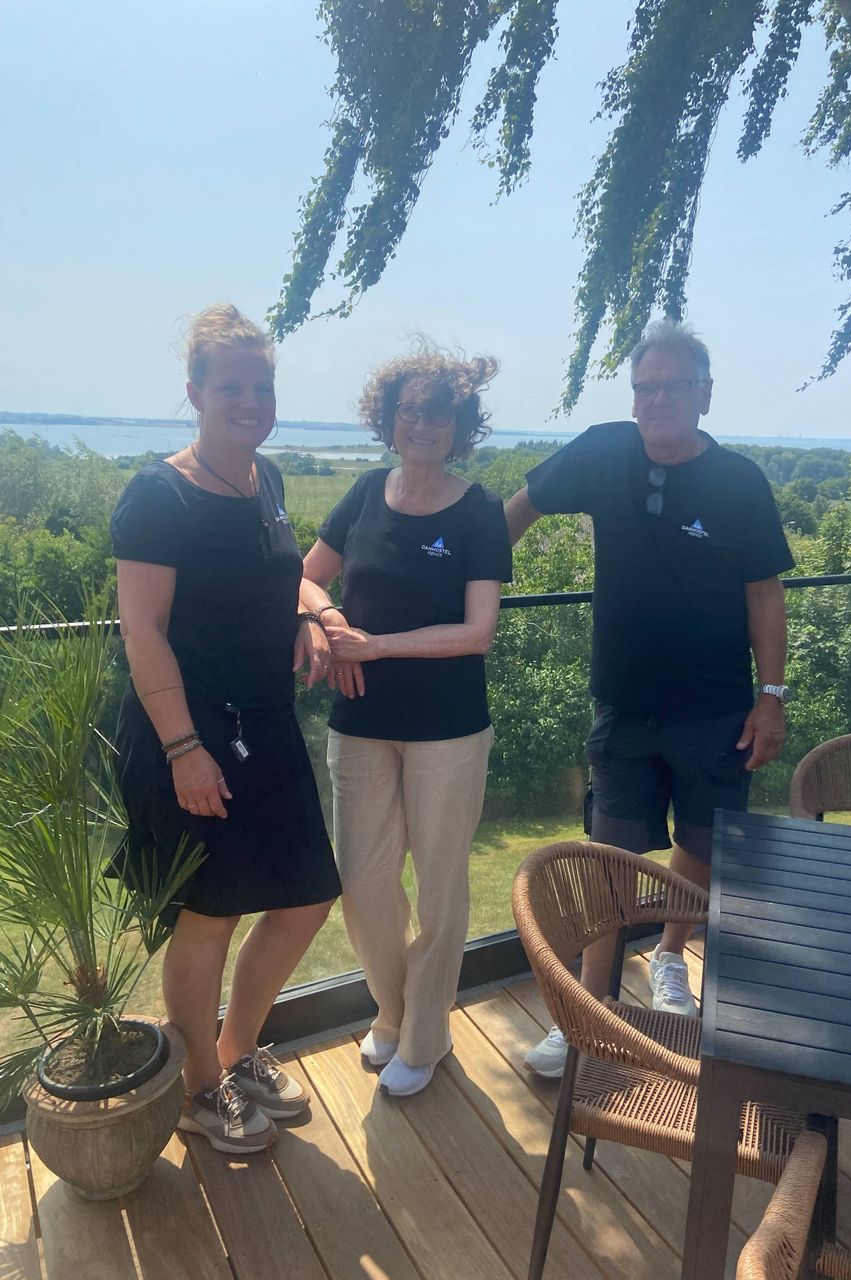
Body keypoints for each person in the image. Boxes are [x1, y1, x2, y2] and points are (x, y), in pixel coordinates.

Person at [506, 320, 794, 1078]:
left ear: (705, 394)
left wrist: (771, 697)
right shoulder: (604, 451)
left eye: (673, 386)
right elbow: (518, 509)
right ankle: (589, 1008)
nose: (657, 400)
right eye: (645, 388)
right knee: (609, 859)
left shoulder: (739, 482)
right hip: (624, 710)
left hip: (717, 712)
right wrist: (461, 580)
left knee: (700, 844)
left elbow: (764, 594)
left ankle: (669, 959)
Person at [110, 304, 341, 1152]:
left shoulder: (264, 480)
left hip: (264, 723)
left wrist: (309, 614)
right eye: (231, 387)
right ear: (196, 392)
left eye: (262, 387)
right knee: (211, 913)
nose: (250, 402)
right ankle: (199, 1088)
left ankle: (238, 1053)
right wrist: (183, 749)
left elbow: (277, 578)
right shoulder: (160, 494)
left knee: (308, 895)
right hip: (190, 730)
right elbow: (143, 629)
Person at [300, 347, 512, 1098]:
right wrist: (327, 618)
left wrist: (377, 646)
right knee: (363, 882)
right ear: (389, 420)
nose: (422, 423)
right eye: (409, 410)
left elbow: (478, 631)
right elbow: (303, 574)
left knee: (440, 889)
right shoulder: (364, 493)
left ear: (461, 425)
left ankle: (425, 1035)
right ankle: (391, 1012)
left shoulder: (479, 510)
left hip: (448, 728)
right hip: (359, 720)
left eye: (438, 412)